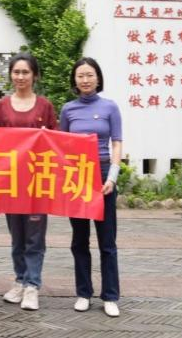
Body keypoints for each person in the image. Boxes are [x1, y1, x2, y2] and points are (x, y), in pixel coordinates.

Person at [59, 57, 123, 318]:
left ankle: (110, 296)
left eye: (89, 75)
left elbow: (117, 142)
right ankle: (83, 293)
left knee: (107, 241)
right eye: (80, 75)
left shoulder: (110, 107)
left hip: (104, 174)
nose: (85, 80)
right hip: (77, 177)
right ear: (74, 80)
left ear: (98, 78)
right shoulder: (68, 109)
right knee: (79, 239)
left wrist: (113, 177)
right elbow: (61, 145)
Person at [0, 52, 57, 311]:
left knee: (35, 237)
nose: (20, 77)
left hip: (36, 182)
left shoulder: (45, 106)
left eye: (25, 72)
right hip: (11, 182)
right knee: (17, 236)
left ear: (35, 75)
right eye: (16, 72)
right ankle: (19, 280)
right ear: (11, 75)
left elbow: (55, 142)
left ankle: (32, 285)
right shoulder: (1, 107)